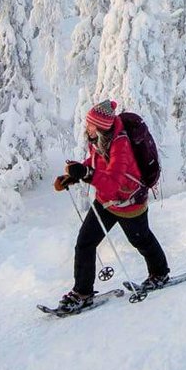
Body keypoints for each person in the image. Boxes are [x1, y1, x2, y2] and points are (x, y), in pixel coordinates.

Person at [52, 100, 170, 313]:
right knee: (85, 242)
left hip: (129, 200)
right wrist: (73, 175)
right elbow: (97, 162)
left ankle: (159, 273)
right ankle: (82, 292)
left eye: (90, 124)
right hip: (106, 200)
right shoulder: (100, 139)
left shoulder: (121, 144)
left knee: (141, 240)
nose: (86, 127)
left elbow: (114, 181)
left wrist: (86, 174)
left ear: (100, 126)